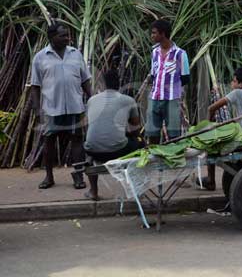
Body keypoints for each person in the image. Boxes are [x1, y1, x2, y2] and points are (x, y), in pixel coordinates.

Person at [31, 22, 92, 189]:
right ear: (52, 38)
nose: (67, 38)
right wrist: (37, 111)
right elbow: (35, 86)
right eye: (63, 35)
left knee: (77, 142)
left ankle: (78, 178)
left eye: (67, 35)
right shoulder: (40, 57)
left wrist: (92, 99)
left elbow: (85, 80)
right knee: (49, 142)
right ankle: (49, 177)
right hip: (51, 108)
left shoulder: (75, 54)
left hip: (74, 106)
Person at [84, 70, 142, 200]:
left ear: (102, 85)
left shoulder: (91, 100)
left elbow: (93, 126)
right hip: (117, 150)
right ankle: (136, 189)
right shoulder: (128, 100)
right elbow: (135, 129)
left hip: (92, 150)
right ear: (119, 84)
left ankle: (93, 191)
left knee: (90, 145)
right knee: (139, 144)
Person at [203, 67, 242, 190]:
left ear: (241, 84)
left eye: (234, 81)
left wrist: (208, 127)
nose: (232, 83)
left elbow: (211, 108)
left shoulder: (238, 93)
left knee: (211, 145)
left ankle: (210, 180)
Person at [146, 19, 190, 145]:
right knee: (152, 133)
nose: (152, 36)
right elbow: (154, 75)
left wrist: (171, 88)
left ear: (163, 34)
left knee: (173, 135)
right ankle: (153, 157)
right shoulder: (154, 52)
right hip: (155, 97)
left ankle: (173, 158)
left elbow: (185, 78)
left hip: (172, 99)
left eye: (154, 33)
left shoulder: (180, 54)